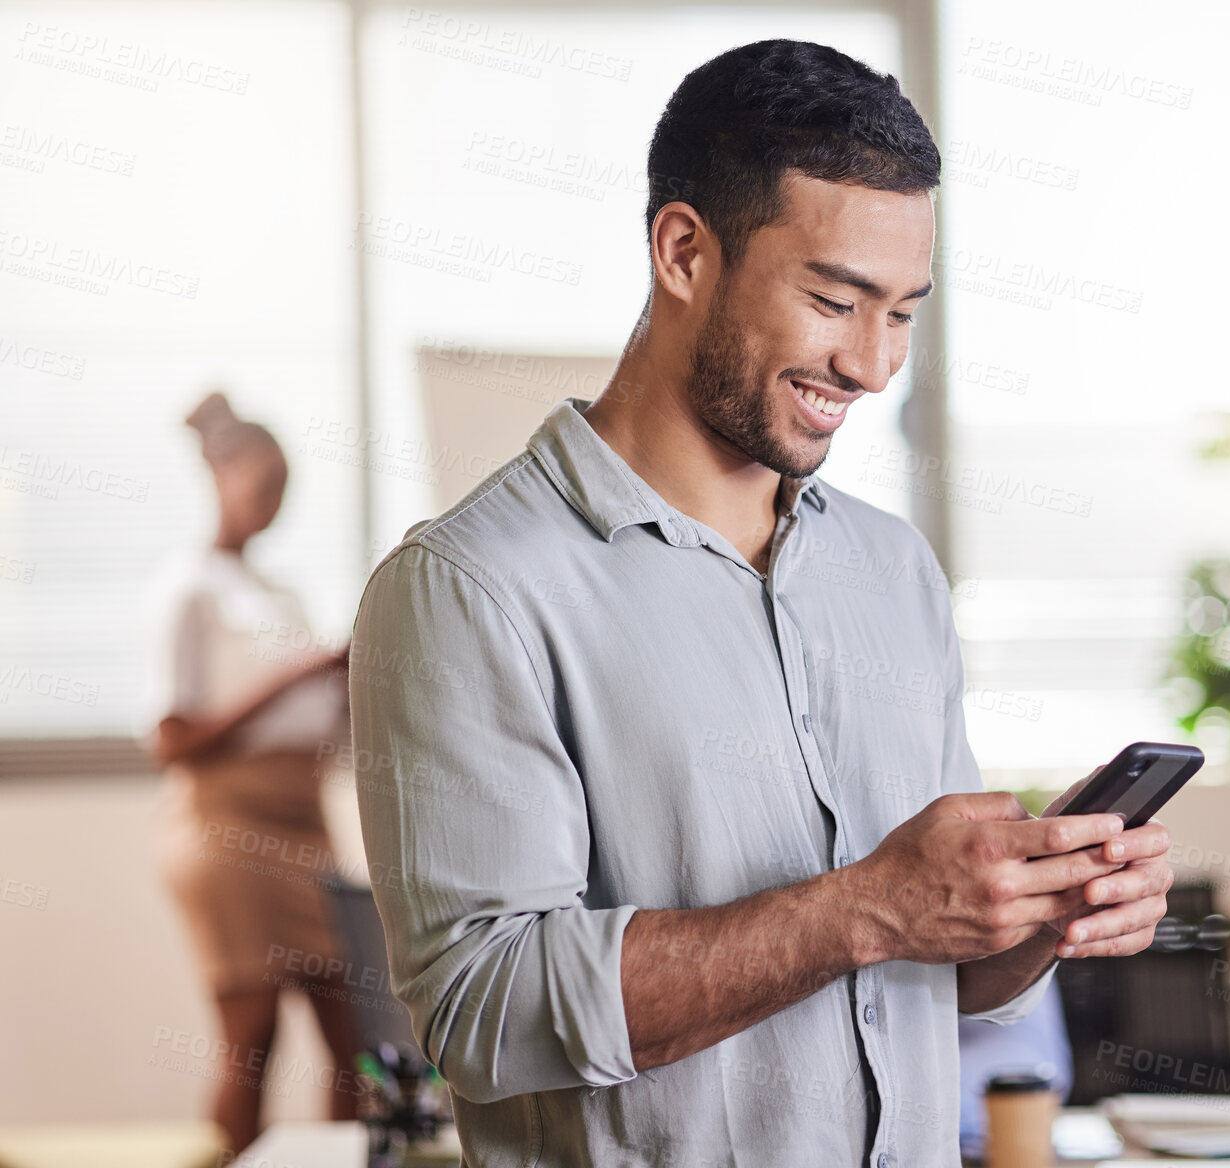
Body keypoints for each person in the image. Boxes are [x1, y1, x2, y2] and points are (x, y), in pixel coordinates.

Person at [350, 39, 1173, 1167]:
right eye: (837, 300)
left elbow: (933, 974)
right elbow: (483, 1014)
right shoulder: (470, 590)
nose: (875, 366)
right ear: (684, 249)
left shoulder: (893, 573)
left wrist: (1033, 908)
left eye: (903, 313)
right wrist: (864, 906)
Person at [144, 391, 362, 1154]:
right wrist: (300, 670)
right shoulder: (189, 589)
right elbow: (173, 738)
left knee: (355, 1045)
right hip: (225, 828)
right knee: (253, 1042)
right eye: (261, 481)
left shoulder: (283, 594)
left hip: (304, 820)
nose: (272, 501)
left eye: (283, 486)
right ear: (221, 475)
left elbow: (314, 721)